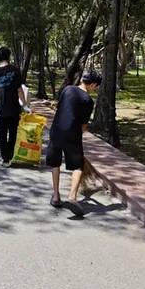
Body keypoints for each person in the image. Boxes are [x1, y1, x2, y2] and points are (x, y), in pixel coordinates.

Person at [46, 70, 102, 216]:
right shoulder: (88, 101)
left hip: (56, 131)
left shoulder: (67, 89)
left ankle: (56, 196)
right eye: (95, 87)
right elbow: (83, 126)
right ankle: (72, 197)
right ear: (93, 84)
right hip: (73, 135)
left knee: (55, 163)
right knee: (78, 165)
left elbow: (59, 108)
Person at [0, 47, 31, 167]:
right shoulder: (15, 70)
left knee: (2, 135)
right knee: (13, 134)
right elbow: (20, 90)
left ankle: (5, 159)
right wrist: (25, 105)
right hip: (14, 109)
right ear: (9, 56)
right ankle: (10, 156)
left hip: (1, 109)